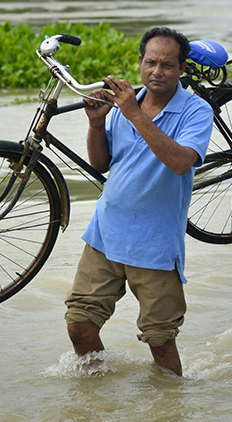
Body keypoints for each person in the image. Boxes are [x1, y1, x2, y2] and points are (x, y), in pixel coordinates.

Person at [64, 27, 214, 376]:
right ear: (140, 63)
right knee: (79, 325)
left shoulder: (195, 111)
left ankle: (170, 404)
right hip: (105, 234)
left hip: (155, 246)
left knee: (159, 340)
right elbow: (102, 164)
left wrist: (134, 113)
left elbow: (180, 162)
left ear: (182, 69)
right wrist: (96, 124)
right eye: (150, 63)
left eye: (168, 65)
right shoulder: (125, 104)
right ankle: (97, 395)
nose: (157, 72)